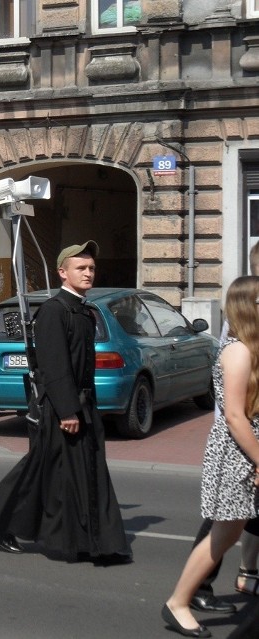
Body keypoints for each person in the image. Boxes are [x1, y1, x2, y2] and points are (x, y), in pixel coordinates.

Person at [0, 240, 132, 564]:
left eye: (91, 268)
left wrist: (86, 407)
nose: (88, 273)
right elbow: (54, 365)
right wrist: (67, 410)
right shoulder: (53, 311)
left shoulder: (86, 312)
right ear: (63, 272)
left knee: (84, 471)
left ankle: (90, 539)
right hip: (63, 409)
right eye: (81, 268)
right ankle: (5, 520)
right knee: (43, 468)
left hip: (84, 407)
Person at [162, 275, 259, 638]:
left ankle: (182, 600)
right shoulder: (238, 351)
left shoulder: (251, 347)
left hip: (246, 447)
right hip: (237, 451)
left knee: (227, 533)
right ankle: (178, 602)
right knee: (222, 534)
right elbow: (235, 415)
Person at [189, 240, 259, 615]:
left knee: (240, 516)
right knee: (225, 518)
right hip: (243, 433)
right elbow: (232, 400)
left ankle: (246, 573)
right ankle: (195, 586)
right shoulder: (243, 319)